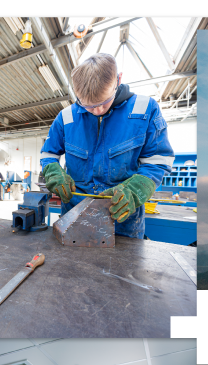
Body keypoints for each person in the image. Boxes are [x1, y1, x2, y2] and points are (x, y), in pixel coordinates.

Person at [40, 53, 174, 239]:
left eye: (103, 103)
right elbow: (48, 153)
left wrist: (135, 190)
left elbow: (158, 161)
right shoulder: (66, 117)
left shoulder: (145, 109)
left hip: (122, 220)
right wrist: (53, 171)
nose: (96, 111)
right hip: (74, 217)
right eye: (87, 105)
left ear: (118, 80)